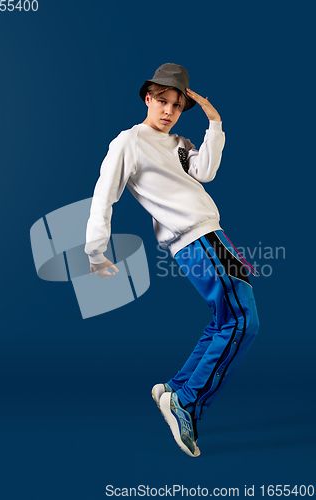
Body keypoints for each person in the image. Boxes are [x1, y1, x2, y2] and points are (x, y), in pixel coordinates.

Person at [84, 63, 260, 458]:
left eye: (176, 105)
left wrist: (213, 122)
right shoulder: (128, 142)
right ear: (148, 98)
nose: (167, 110)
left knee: (225, 319)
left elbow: (206, 172)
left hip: (214, 236)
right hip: (197, 240)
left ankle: (175, 390)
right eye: (161, 101)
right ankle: (187, 403)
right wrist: (96, 249)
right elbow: (103, 194)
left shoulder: (180, 142)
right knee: (243, 321)